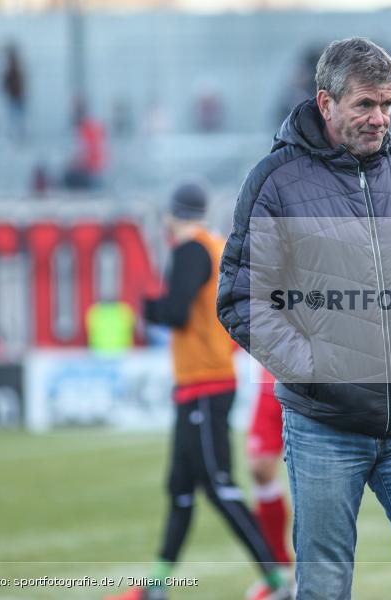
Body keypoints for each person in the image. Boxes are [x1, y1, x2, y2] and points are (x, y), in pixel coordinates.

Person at [217, 37, 391, 599]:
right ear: (326, 103)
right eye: (365, 104)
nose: (379, 118)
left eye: (387, 104)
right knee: (325, 585)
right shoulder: (275, 182)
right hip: (324, 424)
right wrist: (314, 369)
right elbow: (241, 298)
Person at [106, 182, 291, 600]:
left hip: (204, 384)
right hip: (204, 383)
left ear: (171, 216)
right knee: (181, 489)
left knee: (221, 487)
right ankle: (156, 586)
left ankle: (278, 582)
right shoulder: (217, 247)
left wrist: (145, 307)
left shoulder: (190, 250)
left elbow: (175, 311)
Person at [247, 369, 292, 566]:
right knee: (260, 470)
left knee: (320, 477)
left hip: (312, 387)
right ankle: (280, 564)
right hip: (270, 384)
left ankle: (317, 572)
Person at [2, 42, 26, 141]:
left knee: (16, 113)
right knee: (16, 113)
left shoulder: (13, 66)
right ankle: (17, 130)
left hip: (17, 93)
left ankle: (18, 130)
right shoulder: (13, 66)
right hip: (15, 93)